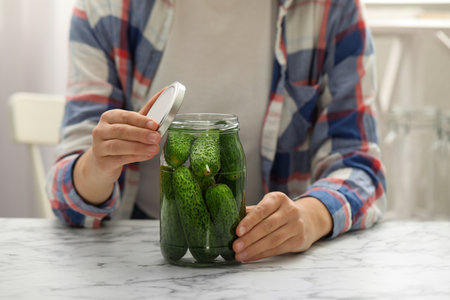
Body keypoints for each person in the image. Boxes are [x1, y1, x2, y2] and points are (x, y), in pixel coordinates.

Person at [47, 0, 386, 262]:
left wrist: (308, 217)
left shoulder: (331, 8)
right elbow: (67, 196)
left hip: (274, 260)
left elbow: (360, 167)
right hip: (144, 253)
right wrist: (98, 164)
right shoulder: (106, 8)